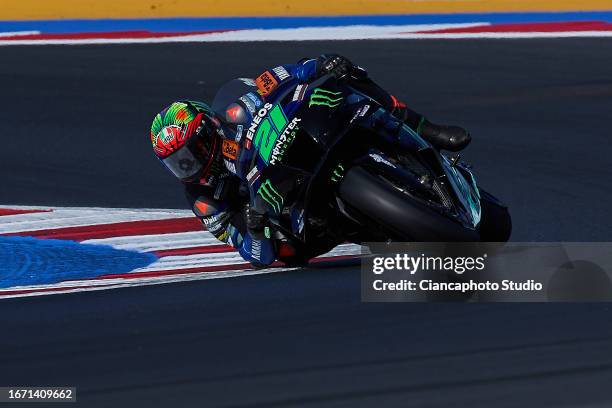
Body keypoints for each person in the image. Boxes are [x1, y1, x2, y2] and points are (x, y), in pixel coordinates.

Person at [149, 54, 471, 267]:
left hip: (303, 139)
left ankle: (426, 129)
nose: (192, 164)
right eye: (180, 163)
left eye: (195, 151)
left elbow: (283, 76)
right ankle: (372, 227)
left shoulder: (236, 106)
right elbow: (255, 256)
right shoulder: (204, 200)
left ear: (209, 126)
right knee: (289, 253)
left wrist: (320, 64)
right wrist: (255, 227)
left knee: (347, 78)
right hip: (290, 216)